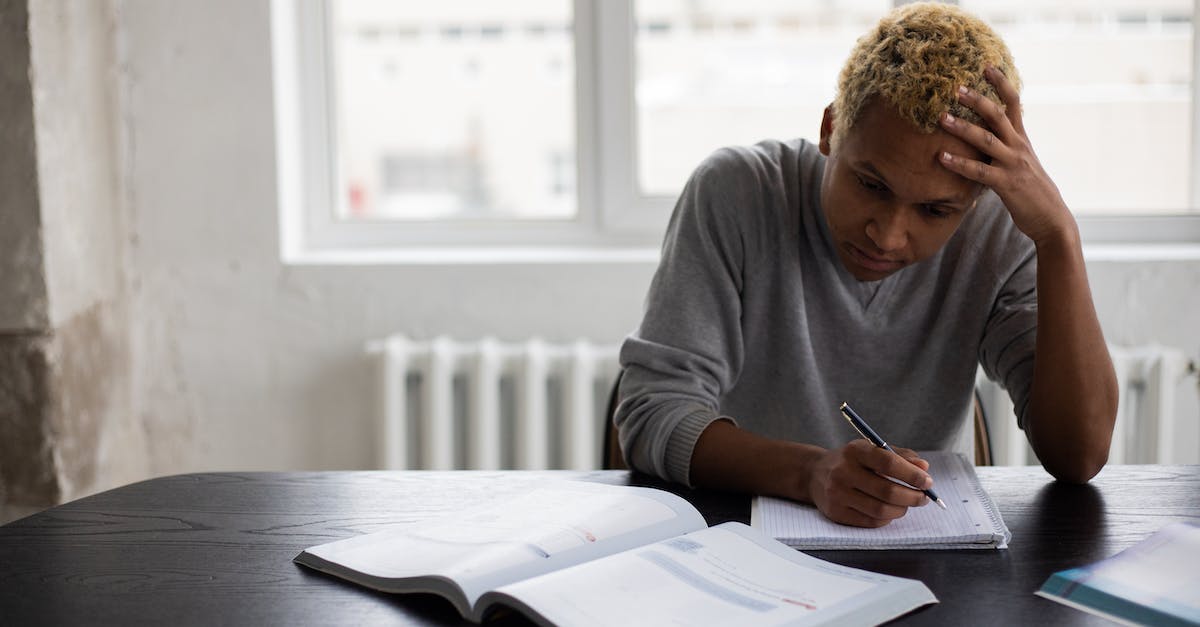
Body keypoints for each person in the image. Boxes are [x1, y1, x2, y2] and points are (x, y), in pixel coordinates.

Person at [614, 2, 1118, 528]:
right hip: (743, 545)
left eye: (935, 210)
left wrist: (1058, 236)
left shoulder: (998, 229)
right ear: (831, 128)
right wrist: (811, 472)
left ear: (975, 196)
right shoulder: (737, 192)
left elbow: (1079, 456)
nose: (888, 234)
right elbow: (653, 414)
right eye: (871, 185)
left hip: (924, 547)